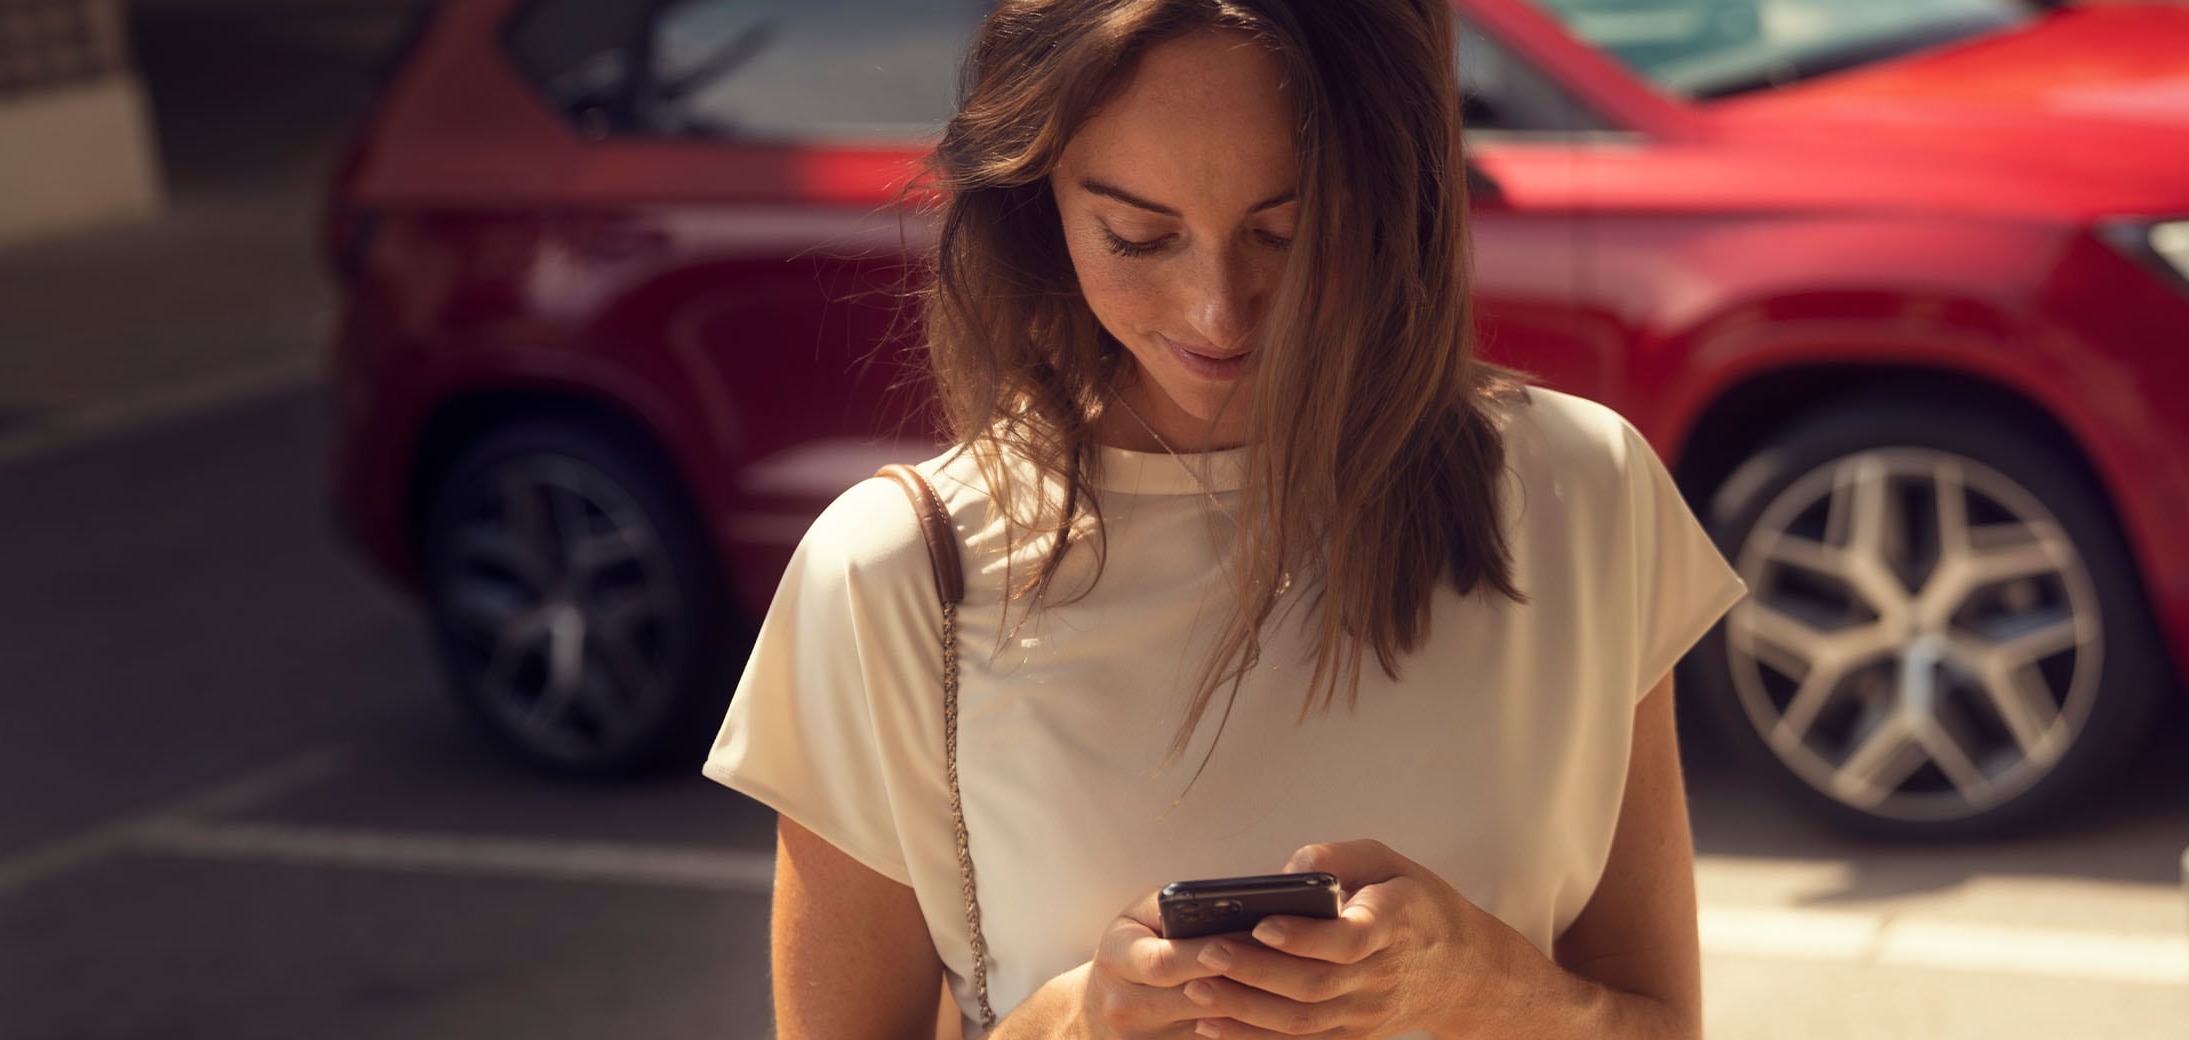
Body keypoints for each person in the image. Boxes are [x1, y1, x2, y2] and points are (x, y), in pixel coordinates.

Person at [701, 1, 1745, 1037]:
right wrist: (1076, 1023)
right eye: (1138, 235)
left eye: (1285, 231)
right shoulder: (895, 575)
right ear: (1037, 203)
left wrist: (1489, 992)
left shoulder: (1582, 490)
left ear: (1396, 195)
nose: (1220, 311)